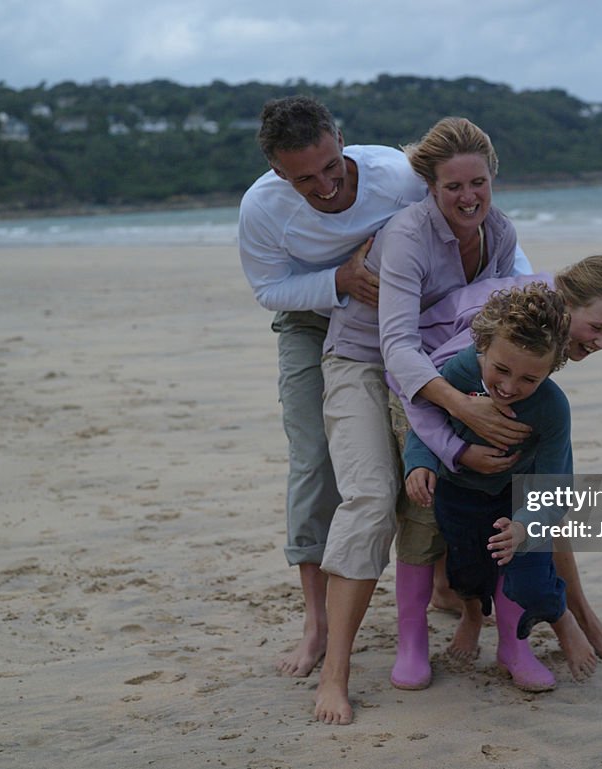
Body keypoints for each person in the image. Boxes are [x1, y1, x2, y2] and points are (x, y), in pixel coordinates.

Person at [315, 117, 534, 724]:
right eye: (453, 187)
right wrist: (461, 405)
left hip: (439, 366)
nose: (468, 198)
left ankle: (482, 612)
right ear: (430, 189)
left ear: (493, 179)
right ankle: (335, 674)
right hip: (364, 359)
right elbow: (396, 345)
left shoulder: (501, 232)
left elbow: (485, 331)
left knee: (470, 478)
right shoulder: (410, 234)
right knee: (370, 497)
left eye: (479, 184)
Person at [237, 95, 427, 677]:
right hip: (310, 316)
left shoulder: (396, 176)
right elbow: (270, 290)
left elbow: (453, 226)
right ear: (277, 171)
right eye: (303, 178)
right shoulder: (262, 209)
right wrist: (339, 280)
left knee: (414, 445)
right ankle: (316, 621)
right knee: (315, 458)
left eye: (330, 168)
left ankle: (440, 581)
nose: (322, 186)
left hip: (390, 310)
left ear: (340, 139)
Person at [388, 254, 602, 691]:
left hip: (493, 418)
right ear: (565, 302)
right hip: (418, 389)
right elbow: (424, 395)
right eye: (597, 328)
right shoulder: (491, 346)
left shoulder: (537, 373)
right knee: (430, 526)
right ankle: (453, 624)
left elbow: (554, 482)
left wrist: (526, 519)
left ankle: (533, 629)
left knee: (527, 521)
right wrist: (452, 452)